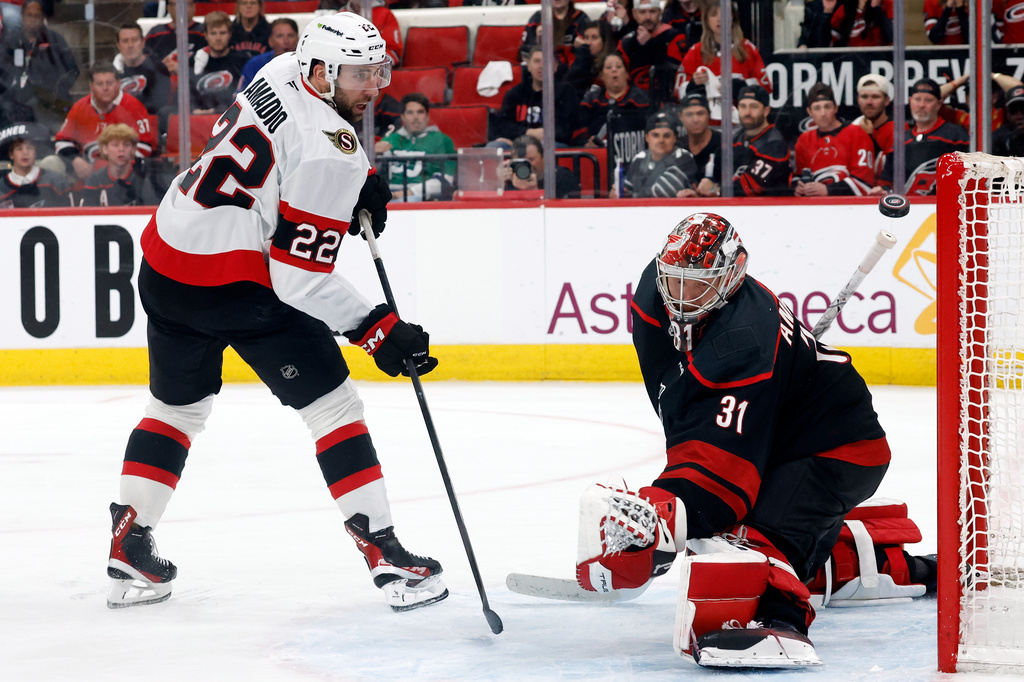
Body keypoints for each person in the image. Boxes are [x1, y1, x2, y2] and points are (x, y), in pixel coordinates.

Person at [104, 12, 448, 614]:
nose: (376, 87)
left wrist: (361, 174)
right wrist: (378, 329)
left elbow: (304, 134)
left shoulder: (281, 68)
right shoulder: (328, 158)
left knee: (177, 407)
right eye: (361, 75)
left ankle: (130, 538)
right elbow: (299, 280)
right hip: (234, 286)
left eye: (378, 70)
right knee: (335, 406)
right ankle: (388, 558)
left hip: (165, 260)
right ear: (320, 70)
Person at [574, 213, 935, 666]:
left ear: (731, 277)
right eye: (677, 280)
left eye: (698, 283)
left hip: (837, 448)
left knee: (747, 536)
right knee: (765, 528)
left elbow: (726, 474)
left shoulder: (743, 340)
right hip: (782, 434)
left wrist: (668, 514)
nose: (682, 295)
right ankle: (873, 569)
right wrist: (679, 503)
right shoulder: (656, 284)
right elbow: (676, 395)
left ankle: (783, 622)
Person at [54, 62, 157, 183]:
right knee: (52, 163)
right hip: (86, 169)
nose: (105, 88)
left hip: (124, 171)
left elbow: (145, 147)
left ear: (119, 83)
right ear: (91, 86)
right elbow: (61, 141)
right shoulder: (79, 107)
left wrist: (112, 165)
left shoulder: (134, 107)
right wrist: (75, 159)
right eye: (99, 84)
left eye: (109, 83)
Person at [873, 77, 969, 196]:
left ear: (939, 104)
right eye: (917, 99)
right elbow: (887, 181)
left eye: (928, 100)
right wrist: (883, 191)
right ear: (910, 101)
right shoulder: (901, 141)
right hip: (909, 209)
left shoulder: (956, 136)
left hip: (945, 206)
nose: (922, 105)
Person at [680, 1, 770, 125]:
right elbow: (679, 92)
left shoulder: (748, 49)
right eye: (713, 14)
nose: (719, 19)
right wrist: (694, 85)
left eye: (725, 14)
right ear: (706, 20)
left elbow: (766, 88)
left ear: (733, 18)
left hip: (743, 123)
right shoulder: (695, 52)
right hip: (705, 126)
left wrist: (742, 86)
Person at [0, 0, 79, 132]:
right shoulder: (11, 40)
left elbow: (72, 71)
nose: (32, 20)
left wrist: (55, 91)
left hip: (47, 104)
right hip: (15, 105)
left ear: (43, 18)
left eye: (37, 16)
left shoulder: (54, 40)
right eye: (29, 15)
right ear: (22, 17)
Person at [793, 82, 875, 197]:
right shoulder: (804, 140)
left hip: (850, 209)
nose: (823, 113)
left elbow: (864, 182)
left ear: (836, 108)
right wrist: (798, 188)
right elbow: (798, 176)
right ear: (809, 112)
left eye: (827, 107)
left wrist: (829, 190)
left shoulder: (857, 134)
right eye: (817, 108)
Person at [492, 45, 580, 148]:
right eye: (536, 61)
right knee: (494, 147)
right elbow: (503, 125)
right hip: (519, 143)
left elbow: (567, 128)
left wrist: (542, 136)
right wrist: (528, 132)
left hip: (551, 145)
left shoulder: (566, 92)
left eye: (546, 61)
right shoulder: (515, 93)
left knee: (542, 148)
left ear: (555, 66)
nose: (541, 66)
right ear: (529, 66)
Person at [374, 92, 455, 202]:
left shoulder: (442, 140)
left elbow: (445, 180)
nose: (415, 117)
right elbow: (372, 174)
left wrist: (408, 193)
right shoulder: (390, 139)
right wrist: (373, 153)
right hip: (390, 197)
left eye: (420, 112)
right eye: (410, 112)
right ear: (402, 117)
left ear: (427, 116)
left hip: (424, 199)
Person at [75, 123, 169, 207]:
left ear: (133, 149)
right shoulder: (95, 180)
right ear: (105, 149)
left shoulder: (144, 179)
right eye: (115, 145)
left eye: (126, 145)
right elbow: (87, 215)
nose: (121, 149)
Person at [617, 0, 687, 109]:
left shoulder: (675, 36)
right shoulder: (626, 42)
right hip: (635, 101)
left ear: (660, 13)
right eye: (642, 12)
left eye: (652, 11)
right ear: (634, 13)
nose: (648, 17)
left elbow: (675, 74)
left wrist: (650, 44)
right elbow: (621, 76)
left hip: (667, 101)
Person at [574, 52, 649, 148]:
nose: (614, 70)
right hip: (598, 154)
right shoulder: (592, 99)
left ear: (626, 74)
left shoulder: (641, 99)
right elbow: (579, 133)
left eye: (618, 67)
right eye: (609, 67)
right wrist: (587, 143)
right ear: (601, 75)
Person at [616, 111, 696, 198]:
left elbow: (661, 193)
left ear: (674, 138)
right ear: (647, 138)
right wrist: (618, 193)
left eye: (667, 136)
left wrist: (632, 195)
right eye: (655, 135)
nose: (661, 140)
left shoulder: (683, 157)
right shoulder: (639, 159)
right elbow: (626, 191)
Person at [731, 84, 791, 197]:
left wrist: (716, 189)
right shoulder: (736, 138)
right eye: (743, 106)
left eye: (753, 106)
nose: (747, 112)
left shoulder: (775, 143)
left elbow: (747, 188)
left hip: (772, 210)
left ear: (766, 111)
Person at [192, 11, 250, 114]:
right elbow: (185, 96)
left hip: (232, 116)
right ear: (205, 35)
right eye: (213, 33)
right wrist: (193, 110)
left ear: (229, 34)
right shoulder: (193, 61)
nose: (218, 38)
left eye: (222, 33)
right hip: (198, 118)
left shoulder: (242, 61)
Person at [0, 123, 68, 208]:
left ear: (35, 152)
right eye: (19, 148)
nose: (25, 152)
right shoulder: (1, 189)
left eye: (29, 148)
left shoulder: (55, 181)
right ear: (11, 154)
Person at [114, 24, 172, 116]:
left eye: (134, 40)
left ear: (143, 43)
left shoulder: (157, 68)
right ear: (118, 46)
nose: (130, 45)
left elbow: (160, 104)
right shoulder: (113, 72)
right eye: (125, 41)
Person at [501, 133, 581, 198]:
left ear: (543, 157)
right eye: (519, 161)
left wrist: (534, 191)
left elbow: (567, 211)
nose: (525, 166)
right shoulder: (508, 181)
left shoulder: (562, 177)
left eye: (531, 160)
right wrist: (498, 183)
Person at [519, 0, 588, 69]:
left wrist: (583, 46)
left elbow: (591, 54)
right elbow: (523, 54)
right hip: (543, 71)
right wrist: (538, 42)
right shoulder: (538, 18)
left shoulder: (581, 19)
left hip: (572, 73)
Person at [237, 18, 299, 92]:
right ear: (270, 41)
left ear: (298, 39)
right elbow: (239, 98)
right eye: (279, 36)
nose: (286, 41)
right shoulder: (255, 64)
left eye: (290, 35)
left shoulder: (308, 65)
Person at [676, 91, 720, 197]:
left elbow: (731, 186)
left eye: (700, 113)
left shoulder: (723, 144)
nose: (695, 120)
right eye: (689, 114)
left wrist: (714, 190)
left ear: (709, 115)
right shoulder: (677, 147)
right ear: (680, 117)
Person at [144, 0, 207, 72]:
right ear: (168, 8)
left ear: (193, 7)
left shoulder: (206, 33)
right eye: (177, 5)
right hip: (162, 80)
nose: (181, 9)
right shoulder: (155, 33)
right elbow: (143, 61)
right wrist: (161, 67)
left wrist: (184, 70)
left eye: (185, 5)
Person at [852, 73, 893, 179]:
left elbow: (888, 168)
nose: (869, 102)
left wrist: (868, 136)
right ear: (858, 100)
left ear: (887, 100)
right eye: (864, 96)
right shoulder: (853, 128)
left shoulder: (897, 129)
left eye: (875, 97)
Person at [564, 18, 616, 100]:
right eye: (586, 38)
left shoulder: (613, 63)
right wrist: (583, 54)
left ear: (605, 41)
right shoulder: (583, 59)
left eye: (594, 38)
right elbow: (569, 85)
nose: (588, 43)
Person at [993, 85, 1024, 157]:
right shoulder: (999, 137)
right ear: (1008, 114)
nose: (1019, 114)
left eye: (1023, 108)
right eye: (1014, 109)